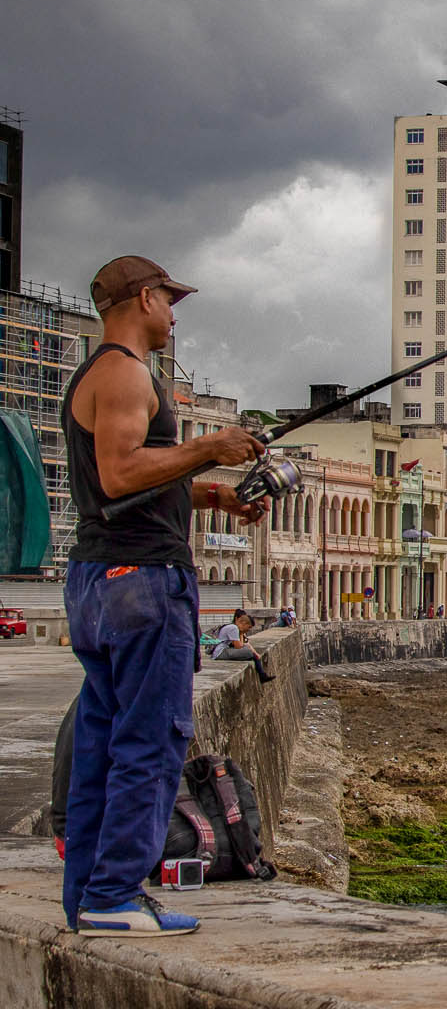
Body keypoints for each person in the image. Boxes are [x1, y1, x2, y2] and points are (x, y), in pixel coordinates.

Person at [60, 257, 268, 937]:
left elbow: (123, 485)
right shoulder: (122, 370)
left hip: (101, 578)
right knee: (151, 743)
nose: (174, 314)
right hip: (142, 583)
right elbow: (121, 473)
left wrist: (211, 493)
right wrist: (211, 446)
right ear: (143, 297)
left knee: (104, 743)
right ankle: (115, 893)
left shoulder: (101, 375)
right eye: (169, 300)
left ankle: (89, 895)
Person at [211, 609, 275, 682]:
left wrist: (241, 634)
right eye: (248, 627)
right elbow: (238, 646)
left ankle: (262, 675)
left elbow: (241, 645)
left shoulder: (233, 627)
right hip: (220, 652)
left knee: (249, 652)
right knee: (249, 653)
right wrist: (241, 633)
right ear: (244, 624)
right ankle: (262, 676)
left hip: (221, 651)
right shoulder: (233, 628)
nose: (248, 630)